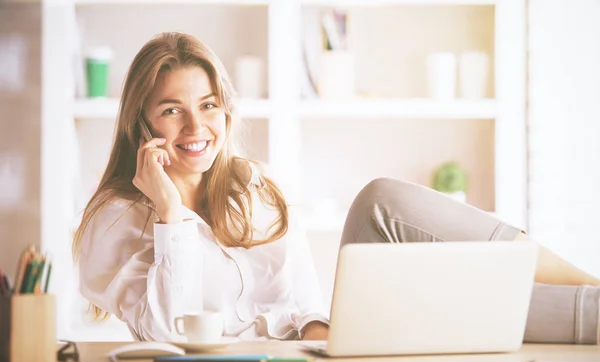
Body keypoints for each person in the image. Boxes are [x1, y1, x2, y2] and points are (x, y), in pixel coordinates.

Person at [73, 32, 600, 344]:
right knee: (467, 310)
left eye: (208, 105)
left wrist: (320, 333)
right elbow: (171, 337)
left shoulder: (251, 186)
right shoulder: (115, 222)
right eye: (172, 110)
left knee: (386, 209)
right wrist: (169, 215)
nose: (196, 127)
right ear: (139, 125)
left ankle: (591, 292)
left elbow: (303, 300)